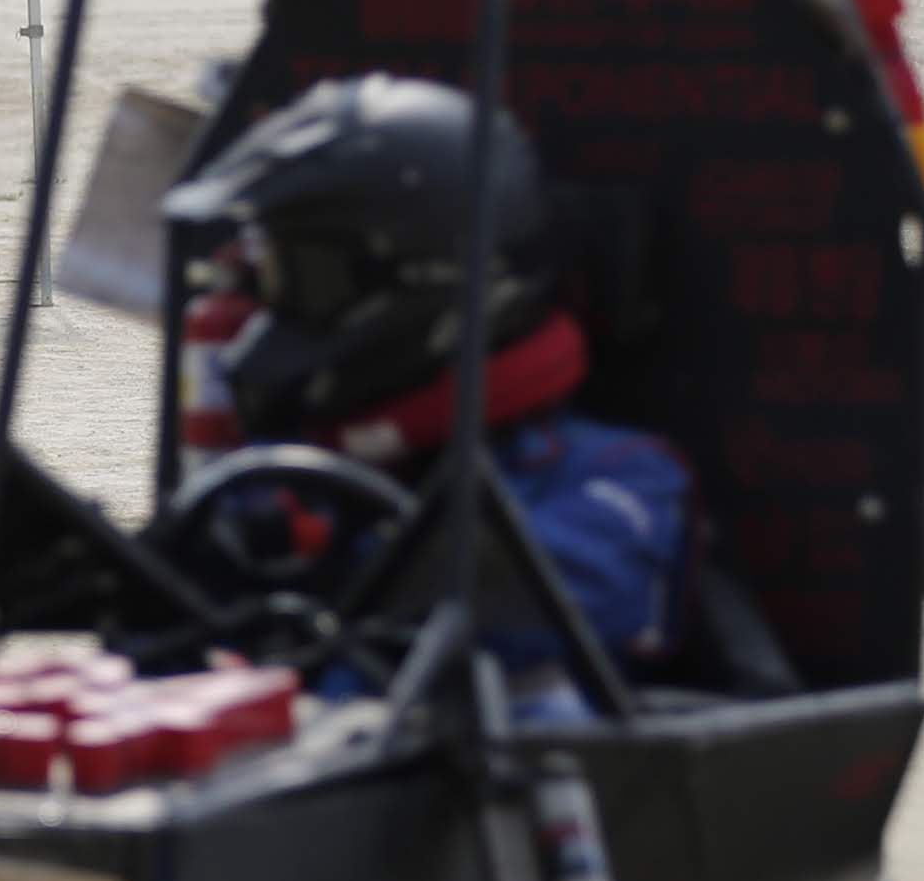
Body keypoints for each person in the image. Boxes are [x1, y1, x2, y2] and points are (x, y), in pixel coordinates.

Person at [163, 73, 692, 687]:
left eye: (305, 281)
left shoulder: (619, 479)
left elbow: (531, 608)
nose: (271, 317)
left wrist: (320, 568)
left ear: (426, 288)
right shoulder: (282, 478)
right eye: (269, 281)